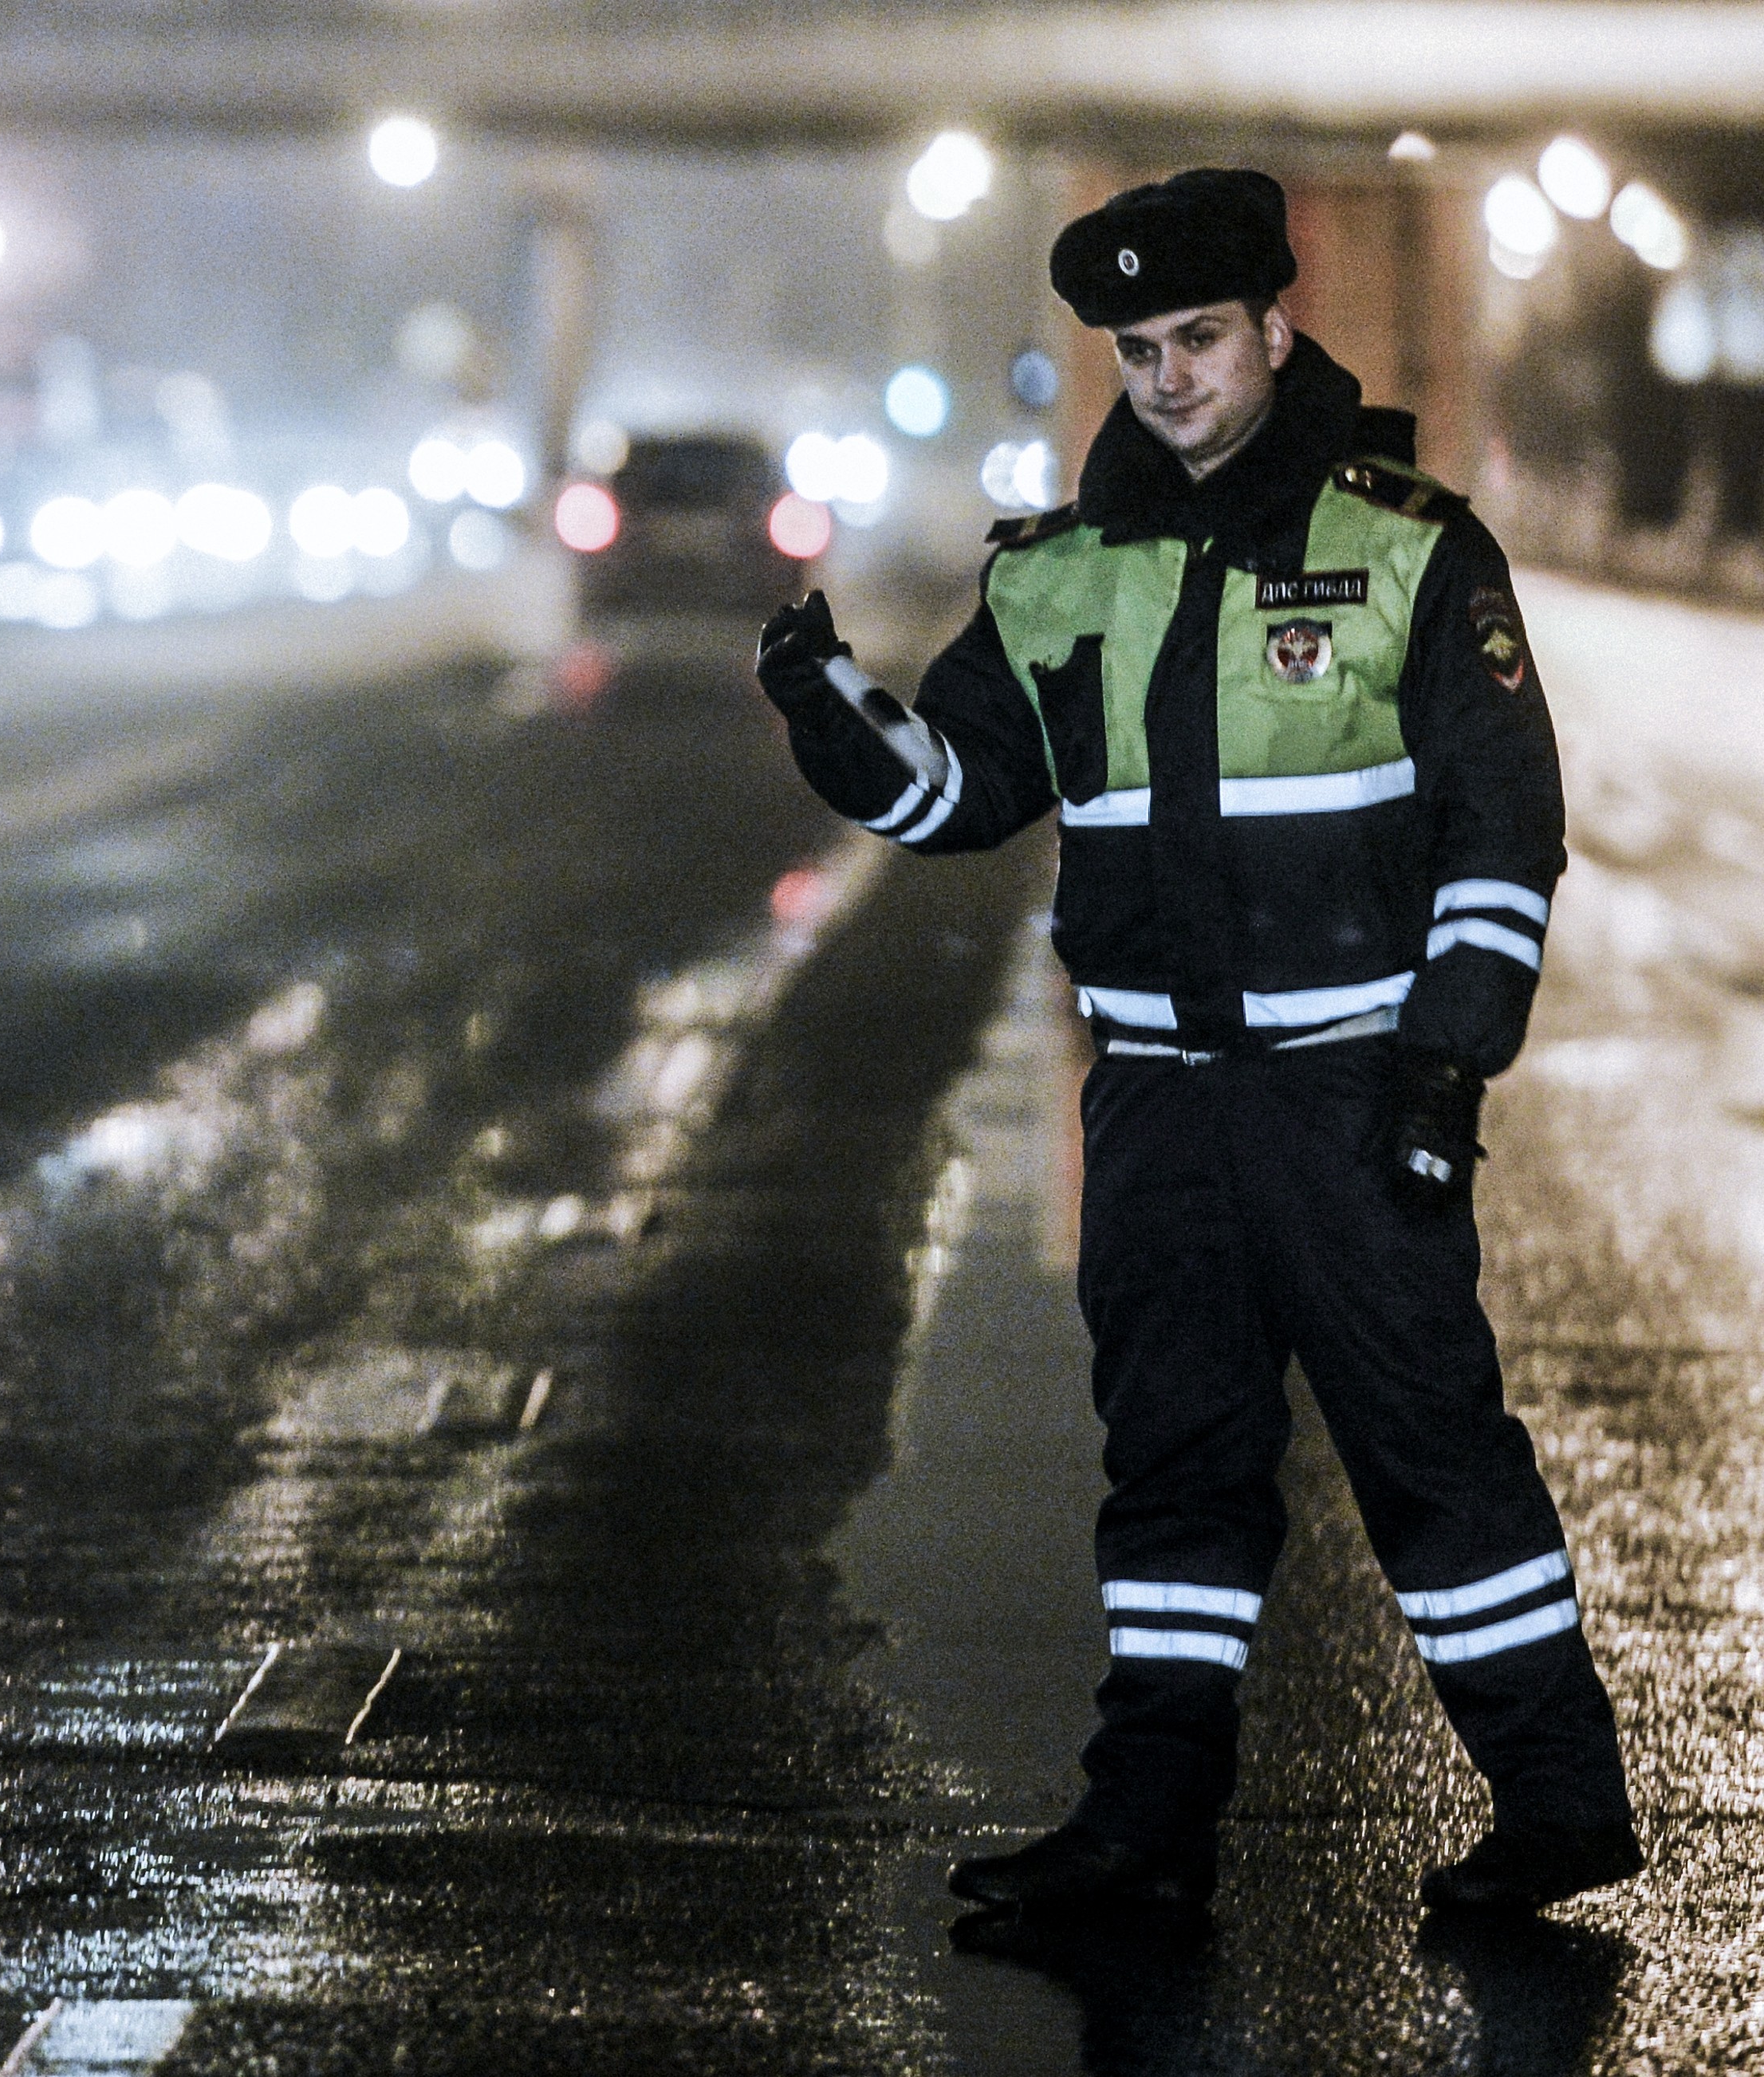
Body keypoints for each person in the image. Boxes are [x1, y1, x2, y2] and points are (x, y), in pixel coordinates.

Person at [754, 168, 1640, 1918]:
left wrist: (1442, 1071)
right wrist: (829, 714)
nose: (1164, 377)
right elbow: (957, 794)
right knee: (1171, 1470)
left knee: (1430, 1457)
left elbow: (1499, 826)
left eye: (1196, 340)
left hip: (1345, 1095)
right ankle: (1140, 1833)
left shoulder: (1406, 545)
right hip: (1155, 1106)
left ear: (1270, 331)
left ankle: (1560, 1805)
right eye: (1136, 348)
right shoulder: (1057, 577)